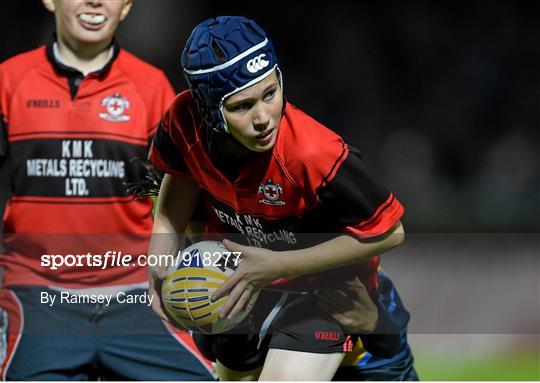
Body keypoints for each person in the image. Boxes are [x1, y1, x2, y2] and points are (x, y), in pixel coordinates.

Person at [148, 15, 417, 380]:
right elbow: (176, 189)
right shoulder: (182, 121)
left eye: (270, 93)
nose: (263, 118)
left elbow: (390, 232)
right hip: (242, 289)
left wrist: (278, 266)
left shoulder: (314, 153)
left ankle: (386, 342)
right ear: (207, 109)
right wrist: (160, 261)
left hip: (323, 295)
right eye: (241, 106)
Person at [0, 0, 214, 380]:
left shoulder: (151, 88)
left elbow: (185, 203)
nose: (96, 1)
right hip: (37, 298)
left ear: (127, 6)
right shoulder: (8, 81)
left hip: (137, 295)